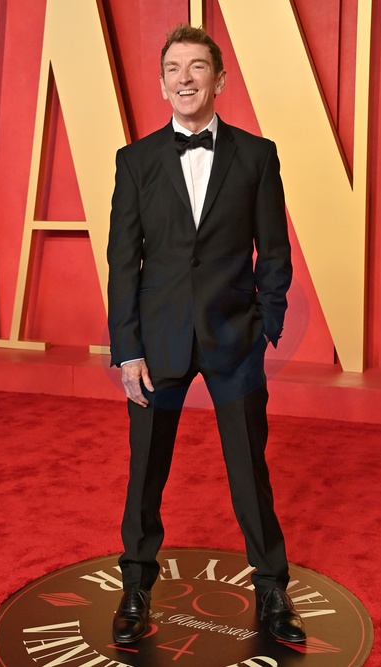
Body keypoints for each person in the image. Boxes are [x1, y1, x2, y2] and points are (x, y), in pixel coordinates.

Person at [107, 24, 306, 645]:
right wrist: (127, 349)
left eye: (197, 67)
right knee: (146, 472)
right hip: (156, 342)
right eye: (174, 68)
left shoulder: (257, 155)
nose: (185, 78)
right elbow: (123, 261)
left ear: (219, 79)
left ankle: (272, 589)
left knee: (250, 471)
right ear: (162, 83)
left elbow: (274, 250)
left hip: (233, 339)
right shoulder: (135, 160)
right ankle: (135, 587)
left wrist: (265, 325)